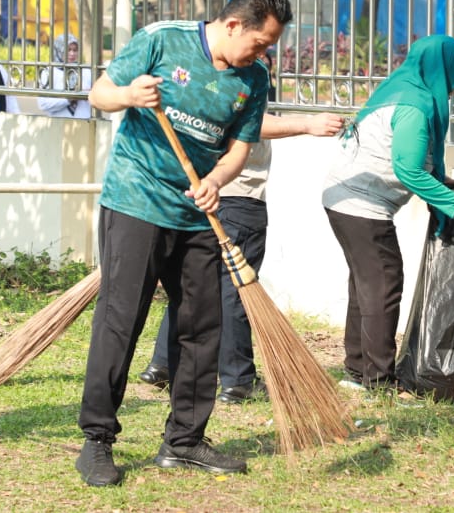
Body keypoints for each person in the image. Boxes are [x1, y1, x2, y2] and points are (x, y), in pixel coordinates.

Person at [75, 0, 291, 488]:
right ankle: (97, 440)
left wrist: (216, 181)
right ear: (234, 24)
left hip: (197, 210)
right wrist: (128, 93)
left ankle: (185, 440)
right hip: (136, 200)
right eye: (259, 43)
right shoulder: (162, 39)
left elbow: (239, 146)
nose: (261, 53)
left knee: (201, 325)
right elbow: (99, 92)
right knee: (120, 319)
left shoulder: (252, 79)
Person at [138, 49, 346, 403]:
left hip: (202, 194)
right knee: (233, 291)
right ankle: (237, 379)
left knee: (191, 283)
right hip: (235, 198)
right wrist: (307, 124)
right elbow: (250, 122)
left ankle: (163, 363)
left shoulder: (206, 73)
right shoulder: (241, 77)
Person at [321, 35, 454, 392]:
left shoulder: (403, 87)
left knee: (367, 283)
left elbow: (411, 158)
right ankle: (379, 380)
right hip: (360, 204)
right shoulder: (415, 105)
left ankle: (358, 369)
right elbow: (407, 170)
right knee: (384, 282)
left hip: (346, 198)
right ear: (440, 70)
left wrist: (442, 181)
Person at [37, 33, 93, 119]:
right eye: (68, 50)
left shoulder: (85, 71)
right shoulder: (49, 72)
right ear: (58, 49)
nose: (72, 53)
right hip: (59, 124)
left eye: (75, 50)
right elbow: (43, 104)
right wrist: (68, 99)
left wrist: (91, 94)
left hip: (85, 123)